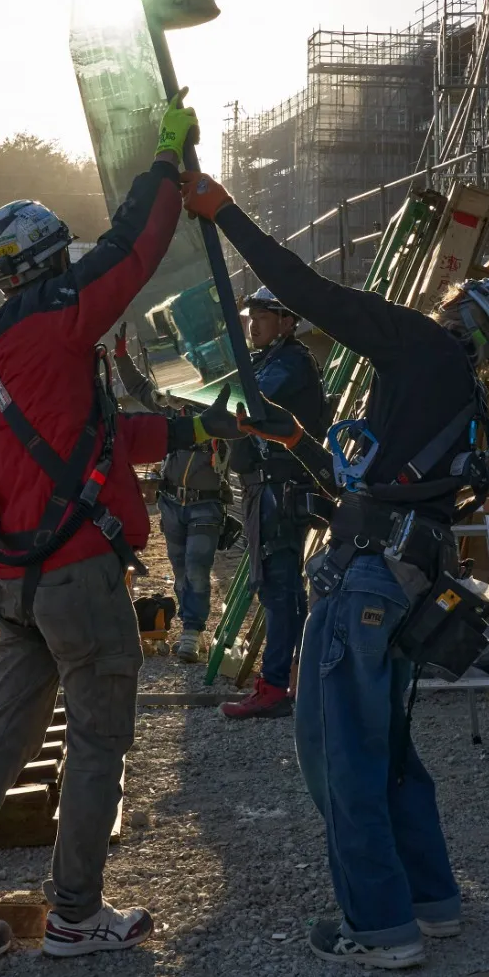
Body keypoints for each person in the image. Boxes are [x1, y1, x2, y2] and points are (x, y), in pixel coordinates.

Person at [182, 168, 489, 971]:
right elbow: (379, 484)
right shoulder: (464, 403)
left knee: (339, 752)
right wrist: (296, 447)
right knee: (390, 748)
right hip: (408, 580)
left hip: (367, 583)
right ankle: (431, 901)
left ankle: (379, 928)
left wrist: (223, 212)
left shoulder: (419, 348)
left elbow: (308, 292)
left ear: (462, 315)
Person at [0, 94, 220, 962]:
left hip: (21, 580)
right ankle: (78, 916)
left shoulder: (9, 351)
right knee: (97, 742)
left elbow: (102, 444)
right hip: (79, 577)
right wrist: (164, 165)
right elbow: (132, 250)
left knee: (4, 737)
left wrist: (204, 429)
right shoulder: (60, 317)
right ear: (51, 266)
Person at [220, 286, 327, 719]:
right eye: (251, 316)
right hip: (268, 488)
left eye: (264, 315)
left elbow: (250, 402)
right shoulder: (270, 361)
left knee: (278, 590)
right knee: (285, 592)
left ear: (287, 321)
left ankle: (275, 687)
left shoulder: (289, 363)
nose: (254, 323)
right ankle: (292, 680)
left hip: (277, 491)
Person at [112, 330, 229, 662]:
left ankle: (192, 630)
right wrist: (121, 357)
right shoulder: (174, 409)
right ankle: (189, 627)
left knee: (196, 568)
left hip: (206, 502)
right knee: (181, 570)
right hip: (173, 501)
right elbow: (139, 389)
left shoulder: (221, 410)